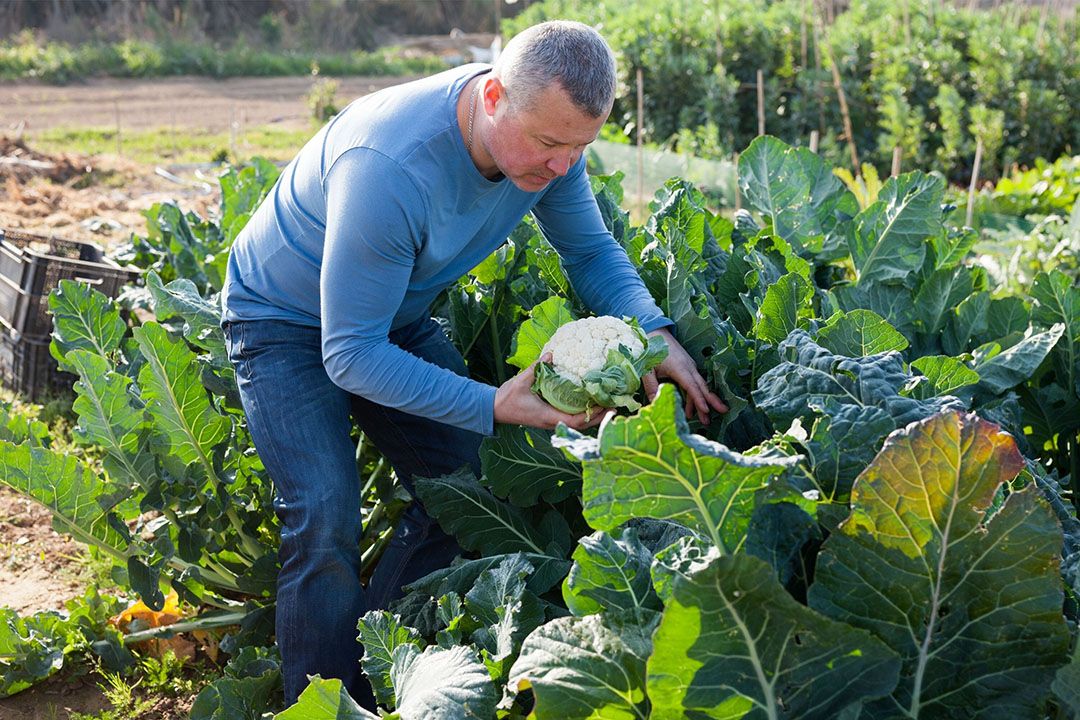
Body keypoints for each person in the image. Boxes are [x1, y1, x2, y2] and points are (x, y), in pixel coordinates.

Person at [220, 19, 727, 707]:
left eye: (579, 148)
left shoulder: (551, 150)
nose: (559, 167)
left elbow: (590, 251)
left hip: (388, 317)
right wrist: (493, 403)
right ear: (492, 96)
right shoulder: (390, 169)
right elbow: (350, 354)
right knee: (324, 515)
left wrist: (655, 330)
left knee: (463, 488)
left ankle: (375, 661)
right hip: (282, 321)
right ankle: (317, 701)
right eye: (549, 144)